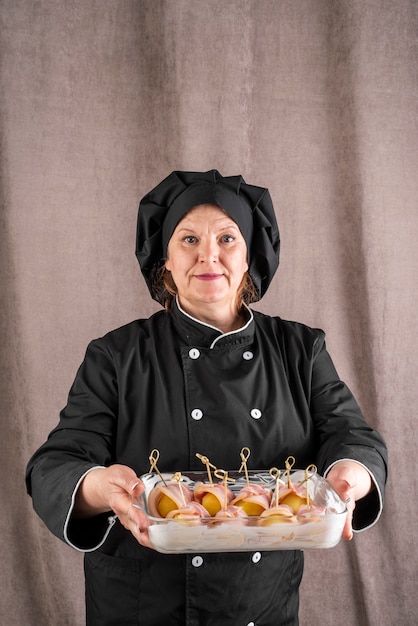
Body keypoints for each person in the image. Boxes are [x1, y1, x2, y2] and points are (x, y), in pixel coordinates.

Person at [26, 169, 387, 626]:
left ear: (250, 254)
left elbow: (352, 435)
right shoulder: (116, 355)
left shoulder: (300, 349)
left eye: (227, 239)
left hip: (259, 605)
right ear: (167, 260)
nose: (208, 256)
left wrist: (349, 473)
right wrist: (100, 487)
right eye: (189, 239)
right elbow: (55, 464)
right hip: (142, 607)